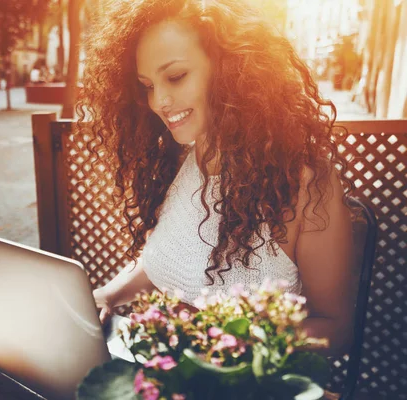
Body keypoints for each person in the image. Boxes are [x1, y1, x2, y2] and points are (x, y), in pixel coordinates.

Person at [77, 0, 355, 357]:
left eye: (175, 76)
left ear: (229, 69)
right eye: (146, 85)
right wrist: (109, 295)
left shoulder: (305, 183)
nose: (159, 101)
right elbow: (169, 256)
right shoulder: (179, 160)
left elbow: (335, 327)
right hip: (167, 368)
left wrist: (223, 343)